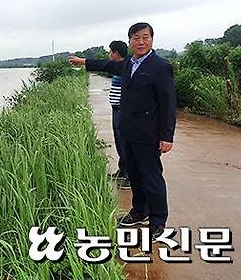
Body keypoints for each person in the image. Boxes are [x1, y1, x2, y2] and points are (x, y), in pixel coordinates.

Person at [68, 22, 176, 241]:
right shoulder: (128, 64)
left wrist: (167, 136)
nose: (141, 42)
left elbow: (168, 103)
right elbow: (107, 65)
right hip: (128, 131)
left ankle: (158, 222)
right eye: (136, 38)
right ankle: (139, 210)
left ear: (152, 40)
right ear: (130, 41)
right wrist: (84, 61)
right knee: (134, 174)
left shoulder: (160, 66)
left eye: (145, 37)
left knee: (152, 177)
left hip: (148, 134)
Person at [106, 40, 130, 190]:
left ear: (116, 53)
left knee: (124, 142)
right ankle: (123, 170)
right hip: (116, 109)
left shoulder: (125, 67)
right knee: (118, 140)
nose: (109, 55)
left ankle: (130, 176)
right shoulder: (117, 69)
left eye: (110, 52)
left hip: (123, 110)